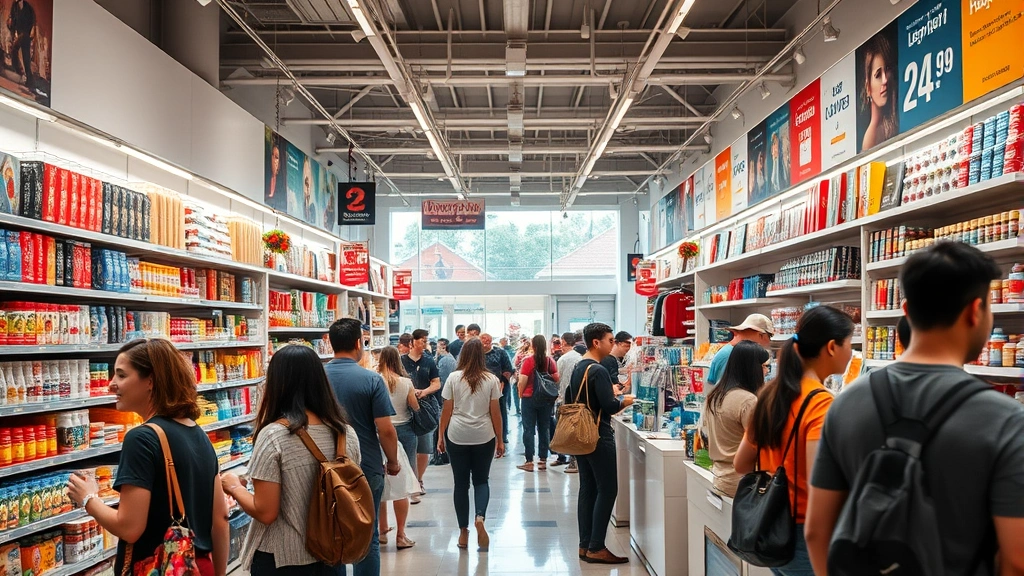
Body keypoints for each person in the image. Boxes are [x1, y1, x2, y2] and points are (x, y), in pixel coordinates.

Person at [805, 242, 1024, 575]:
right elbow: (1016, 559)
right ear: (975, 311)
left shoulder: (845, 404)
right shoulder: (1005, 419)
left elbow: (817, 532)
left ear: (906, 310)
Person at [67, 339, 228, 576]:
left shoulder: (141, 439)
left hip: (159, 568)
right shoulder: (199, 434)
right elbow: (221, 519)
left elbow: (129, 528)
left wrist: (88, 499)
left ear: (150, 381)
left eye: (121, 375)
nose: (112, 385)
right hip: (199, 567)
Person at [733, 306, 854, 576]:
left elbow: (741, 463)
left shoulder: (769, 395)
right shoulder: (820, 403)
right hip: (805, 532)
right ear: (833, 347)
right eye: (849, 343)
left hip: (772, 526)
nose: (851, 352)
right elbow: (818, 483)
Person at [223, 345, 360, 575]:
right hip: (332, 555)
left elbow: (266, 512)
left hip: (283, 559)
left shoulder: (274, 435)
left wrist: (234, 487)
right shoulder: (345, 434)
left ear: (277, 384)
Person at [324, 318, 401, 576]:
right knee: (367, 534)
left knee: (329, 531)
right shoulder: (371, 380)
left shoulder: (317, 378)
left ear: (330, 343)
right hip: (365, 467)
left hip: (324, 468)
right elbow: (386, 429)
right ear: (359, 343)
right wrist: (392, 461)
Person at [569, 323, 635, 564]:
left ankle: (585, 544)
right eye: (610, 340)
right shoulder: (598, 370)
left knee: (588, 488)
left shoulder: (579, 367)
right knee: (607, 489)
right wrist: (626, 401)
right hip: (598, 434)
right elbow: (609, 406)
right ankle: (597, 546)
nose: (612, 344)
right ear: (596, 342)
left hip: (581, 435)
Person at [437, 338, 505, 551]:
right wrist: (500, 439)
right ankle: (480, 517)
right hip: (483, 435)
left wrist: (440, 436)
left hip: (457, 434)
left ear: (463, 355)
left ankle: (463, 532)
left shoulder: (453, 378)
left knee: (460, 484)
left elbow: (446, 410)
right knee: (481, 481)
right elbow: (496, 413)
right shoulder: (491, 379)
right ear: (481, 356)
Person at [701, 341, 770, 497]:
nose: (766, 372)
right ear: (753, 368)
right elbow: (759, 443)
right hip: (743, 483)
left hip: (720, 477)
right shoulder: (747, 401)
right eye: (764, 366)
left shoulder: (715, 395)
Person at [376, 347, 421, 540]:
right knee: (403, 481)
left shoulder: (374, 380)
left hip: (379, 432)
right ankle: (401, 534)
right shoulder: (406, 382)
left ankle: (383, 529)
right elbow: (415, 406)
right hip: (404, 430)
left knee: (379, 480)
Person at [402, 329, 442, 493]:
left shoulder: (429, 361)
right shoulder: (401, 361)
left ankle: (418, 480)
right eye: (421, 341)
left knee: (424, 448)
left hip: (424, 408)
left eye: (426, 341)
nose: (424, 344)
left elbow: (436, 383)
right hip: (404, 408)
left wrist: (423, 392)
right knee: (406, 448)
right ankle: (409, 481)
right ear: (411, 343)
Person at [516, 333, 559, 472]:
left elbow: (522, 380)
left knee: (528, 429)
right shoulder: (549, 361)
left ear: (533, 346)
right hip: (545, 399)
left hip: (529, 398)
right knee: (544, 428)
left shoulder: (528, 361)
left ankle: (529, 461)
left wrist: (520, 394)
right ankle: (542, 460)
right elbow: (556, 378)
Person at [707, 314, 774, 386]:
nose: (768, 342)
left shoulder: (727, 351)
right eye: (769, 337)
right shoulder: (735, 355)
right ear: (760, 335)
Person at [860, 32, 898, 151]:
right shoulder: (872, 137)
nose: (885, 80)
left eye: (887, 70)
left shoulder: (892, 124)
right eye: (877, 75)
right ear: (868, 88)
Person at [554, 332, 583, 470]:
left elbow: (556, 379)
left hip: (564, 399)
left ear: (564, 342)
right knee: (574, 430)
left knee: (565, 431)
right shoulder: (580, 358)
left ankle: (571, 461)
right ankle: (569, 459)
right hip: (578, 399)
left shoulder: (563, 359)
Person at [480, 333, 514, 444]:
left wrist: (503, 382)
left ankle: (502, 436)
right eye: (484, 341)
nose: (486, 343)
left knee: (501, 411)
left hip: (500, 387)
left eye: (488, 341)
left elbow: (508, 369)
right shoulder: (476, 354)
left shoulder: (500, 352)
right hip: (481, 388)